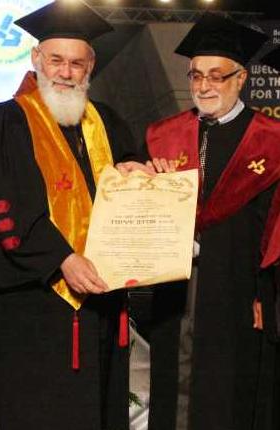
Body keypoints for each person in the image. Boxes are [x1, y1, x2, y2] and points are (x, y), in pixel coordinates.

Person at [0, 1, 150, 429]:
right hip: (38, 302)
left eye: (77, 63)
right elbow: (5, 206)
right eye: (55, 59)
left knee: (102, 411)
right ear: (36, 59)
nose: (65, 72)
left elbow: (131, 171)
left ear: (90, 65)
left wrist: (139, 174)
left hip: (104, 300)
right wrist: (62, 259)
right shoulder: (4, 120)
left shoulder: (106, 122)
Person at [145, 12, 280, 430]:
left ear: (241, 79)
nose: (203, 86)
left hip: (238, 288)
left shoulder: (271, 140)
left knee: (230, 390)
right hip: (175, 288)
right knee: (174, 387)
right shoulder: (165, 134)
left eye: (216, 76)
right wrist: (140, 177)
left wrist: (269, 296)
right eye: (196, 75)